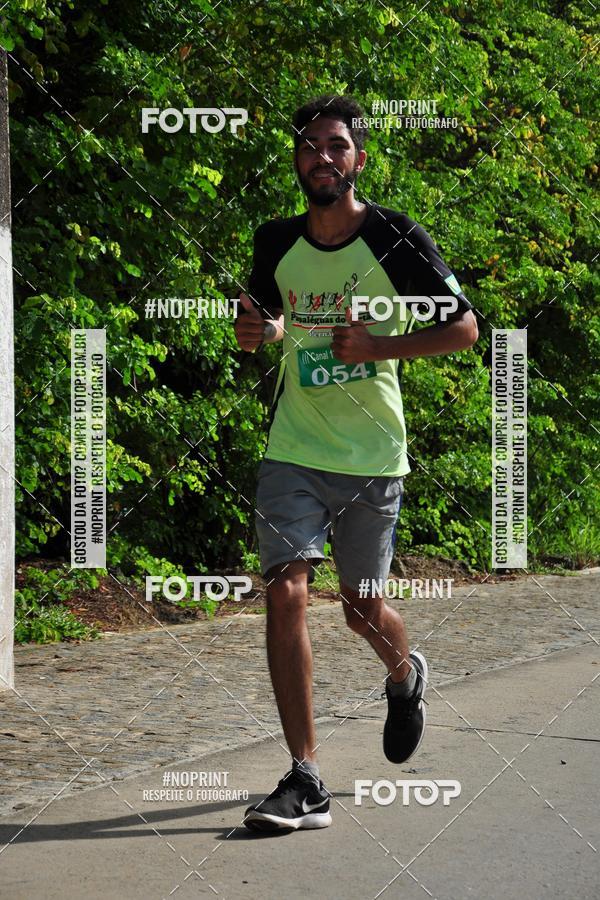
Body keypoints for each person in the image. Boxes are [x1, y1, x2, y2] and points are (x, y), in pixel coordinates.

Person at [234, 94, 478, 832]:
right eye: (310, 146)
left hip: (373, 456)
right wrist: (260, 331)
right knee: (285, 593)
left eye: (336, 145)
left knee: (360, 609)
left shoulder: (396, 238)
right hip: (294, 448)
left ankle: (404, 676)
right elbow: (270, 319)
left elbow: (465, 329)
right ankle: (305, 776)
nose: (323, 157)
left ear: (358, 160)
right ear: (296, 161)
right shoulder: (276, 240)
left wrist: (378, 347)